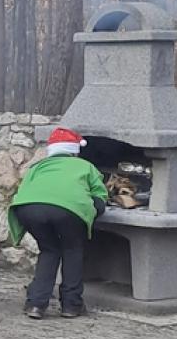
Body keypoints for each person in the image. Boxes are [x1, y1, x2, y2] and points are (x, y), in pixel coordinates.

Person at [8, 127, 108, 319]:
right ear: (74, 151)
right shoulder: (85, 166)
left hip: (29, 209)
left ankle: (35, 305)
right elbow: (99, 197)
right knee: (72, 250)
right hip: (67, 210)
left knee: (49, 250)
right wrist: (95, 209)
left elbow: (25, 190)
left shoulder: (37, 167)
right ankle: (71, 305)